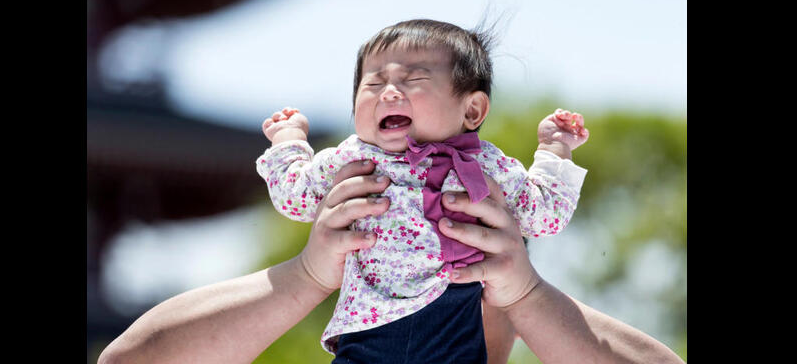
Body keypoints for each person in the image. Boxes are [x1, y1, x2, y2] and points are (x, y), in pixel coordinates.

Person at [97, 160, 685, 364]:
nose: (420, 280)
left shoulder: (512, 296)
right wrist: (308, 275)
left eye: (459, 258)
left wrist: (527, 293)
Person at [255, 19, 589, 362]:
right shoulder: (350, 158)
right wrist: (289, 141)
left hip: (453, 324)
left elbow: (545, 216)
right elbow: (294, 199)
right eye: (374, 82)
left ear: (472, 110)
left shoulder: (487, 167)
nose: (388, 92)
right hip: (368, 328)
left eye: (413, 80)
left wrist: (554, 150)